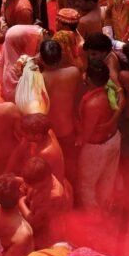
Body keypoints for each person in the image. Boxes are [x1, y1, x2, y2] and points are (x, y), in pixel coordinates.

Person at [76, 58, 124, 209]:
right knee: (108, 181)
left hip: (96, 147)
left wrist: (78, 140)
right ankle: (106, 212)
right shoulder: (112, 90)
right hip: (114, 140)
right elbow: (122, 102)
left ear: (88, 78)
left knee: (86, 186)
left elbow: (88, 134)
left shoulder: (93, 104)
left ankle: (95, 219)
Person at [38, 40, 82, 182]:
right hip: (69, 128)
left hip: (49, 133)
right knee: (71, 167)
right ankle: (73, 196)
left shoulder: (40, 78)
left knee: (52, 171)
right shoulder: (74, 73)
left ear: (42, 59)